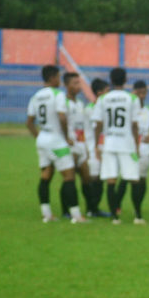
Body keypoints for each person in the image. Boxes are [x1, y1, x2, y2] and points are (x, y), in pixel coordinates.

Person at [26, 65, 85, 223]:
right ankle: (76, 215)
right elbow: (62, 117)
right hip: (56, 139)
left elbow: (29, 122)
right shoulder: (58, 95)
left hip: (43, 139)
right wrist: (66, 137)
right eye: (58, 77)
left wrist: (39, 137)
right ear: (52, 78)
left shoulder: (36, 96)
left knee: (46, 175)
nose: (59, 80)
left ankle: (46, 214)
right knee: (69, 176)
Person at [93, 68, 142, 225]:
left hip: (109, 143)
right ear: (126, 79)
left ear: (111, 80)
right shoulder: (132, 98)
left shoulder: (103, 99)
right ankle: (138, 216)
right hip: (127, 144)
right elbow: (135, 125)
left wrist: (95, 145)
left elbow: (98, 124)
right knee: (134, 179)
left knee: (111, 181)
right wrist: (137, 144)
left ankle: (114, 217)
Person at [124, 80, 149, 221]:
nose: (141, 96)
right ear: (133, 92)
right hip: (127, 148)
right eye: (138, 92)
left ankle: (137, 209)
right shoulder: (127, 108)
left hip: (144, 148)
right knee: (126, 180)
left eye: (144, 93)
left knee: (141, 180)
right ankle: (117, 211)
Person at [63, 72, 95, 220]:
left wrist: (87, 147)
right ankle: (66, 210)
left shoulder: (80, 104)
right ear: (67, 85)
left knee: (86, 178)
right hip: (69, 146)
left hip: (81, 145)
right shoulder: (63, 103)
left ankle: (90, 209)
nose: (78, 86)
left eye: (79, 83)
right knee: (69, 178)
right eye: (75, 83)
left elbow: (84, 127)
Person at [84, 78, 111, 217]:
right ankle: (91, 209)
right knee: (94, 179)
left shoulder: (102, 108)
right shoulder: (91, 109)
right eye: (107, 91)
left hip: (100, 147)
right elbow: (96, 129)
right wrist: (96, 147)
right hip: (93, 148)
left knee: (100, 178)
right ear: (99, 93)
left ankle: (94, 208)